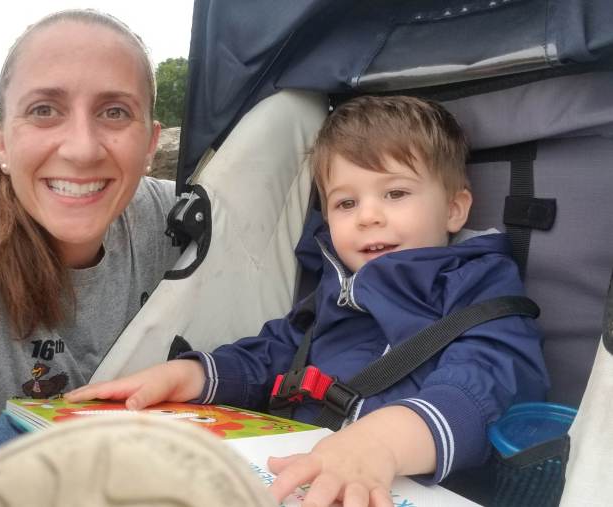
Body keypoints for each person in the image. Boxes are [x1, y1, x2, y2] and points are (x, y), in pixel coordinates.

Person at [65, 95, 550, 506]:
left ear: (454, 209)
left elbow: (489, 377)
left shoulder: (477, 286)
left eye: (396, 193)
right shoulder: (329, 294)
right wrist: (191, 375)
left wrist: (381, 443)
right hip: (291, 476)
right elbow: (273, 354)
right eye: (346, 203)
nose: (368, 216)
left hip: (407, 484)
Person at [0, 8, 179, 481]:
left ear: (150, 143)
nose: (82, 149)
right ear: (1, 141)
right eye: (44, 110)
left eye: (114, 112)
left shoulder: (174, 216)